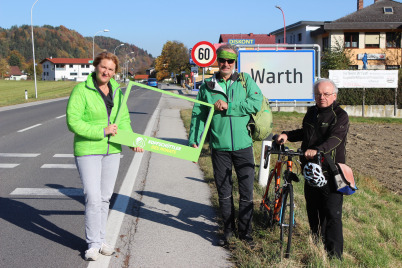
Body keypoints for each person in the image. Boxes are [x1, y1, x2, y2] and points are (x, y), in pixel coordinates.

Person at [66, 52, 143, 261]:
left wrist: (132, 141)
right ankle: (92, 244)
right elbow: (73, 121)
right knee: (92, 196)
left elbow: (123, 120)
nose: (106, 72)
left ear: (114, 72)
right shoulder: (81, 90)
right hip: (88, 149)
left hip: (112, 151)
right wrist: (103, 130)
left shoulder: (117, 91)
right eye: (103, 67)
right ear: (95, 66)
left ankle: (101, 240)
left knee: (105, 197)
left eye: (111, 69)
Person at [188, 44, 263, 248]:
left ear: (235, 62)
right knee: (224, 191)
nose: (226, 64)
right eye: (222, 60)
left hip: (243, 146)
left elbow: (256, 103)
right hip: (219, 146)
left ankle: (245, 234)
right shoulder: (207, 87)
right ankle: (228, 232)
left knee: (246, 192)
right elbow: (198, 114)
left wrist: (229, 106)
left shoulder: (245, 81)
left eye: (230, 61)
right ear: (217, 62)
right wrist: (194, 138)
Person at [275, 78, 349, 259]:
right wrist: (287, 135)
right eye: (318, 94)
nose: (321, 97)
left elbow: (335, 139)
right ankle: (316, 246)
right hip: (310, 171)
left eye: (325, 94)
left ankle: (334, 257)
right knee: (313, 211)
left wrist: (317, 150)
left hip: (330, 172)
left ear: (334, 95)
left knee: (332, 213)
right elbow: (304, 132)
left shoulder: (340, 115)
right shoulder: (311, 112)